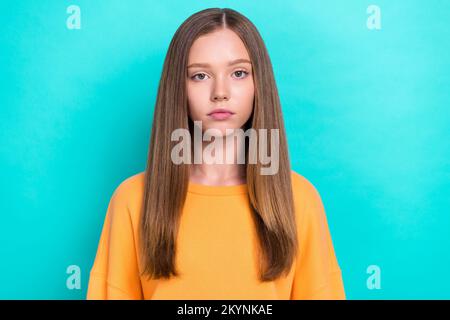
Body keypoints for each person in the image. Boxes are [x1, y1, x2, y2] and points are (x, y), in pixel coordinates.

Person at [86, 7, 346, 300]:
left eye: (238, 73)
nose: (220, 92)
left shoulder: (299, 199)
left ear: (258, 84)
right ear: (178, 88)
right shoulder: (132, 200)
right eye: (199, 75)